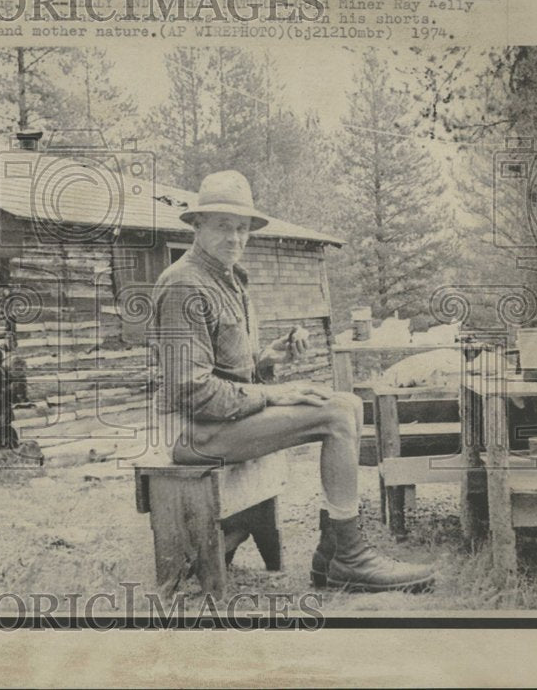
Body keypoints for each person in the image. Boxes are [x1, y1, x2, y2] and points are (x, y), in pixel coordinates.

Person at [150, 170, 435, 592]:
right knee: (337, 415)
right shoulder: (183, 286)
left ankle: (329, 552)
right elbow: (191, 392)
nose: (235, 238)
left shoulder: (231, 279)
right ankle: (349, 558)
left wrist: (268, 360)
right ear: (197, 225)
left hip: (220, 422)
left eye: (242, 228)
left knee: (349, 404)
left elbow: (231, 373)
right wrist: (276, 392)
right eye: (223, 226)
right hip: (192, 433)